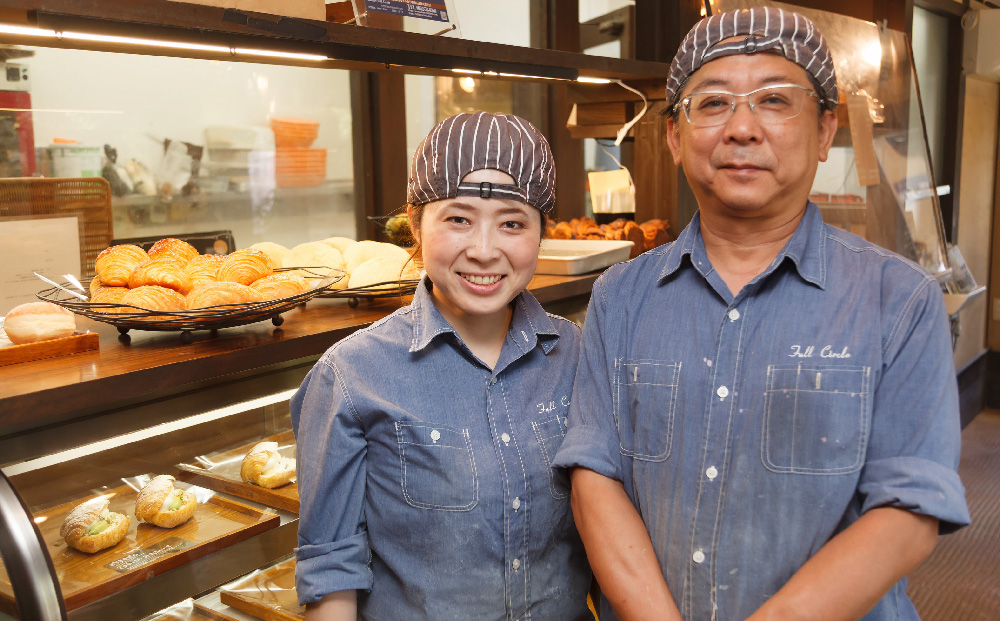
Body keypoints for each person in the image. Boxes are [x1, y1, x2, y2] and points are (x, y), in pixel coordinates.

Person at [552, 7, 971, 621]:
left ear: (826, 130)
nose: (741, 128)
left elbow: (909, 511)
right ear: (674, 136)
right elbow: (595, 479)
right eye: (713, 103)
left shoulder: (898, 301)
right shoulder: (620, 295)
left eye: (774, 100)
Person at [291, 111, 592, 620]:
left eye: (513, 223)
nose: (483, 251)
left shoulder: (577, 355)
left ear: (543, 231)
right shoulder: (351, 375)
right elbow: (332, 570)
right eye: (457, 219)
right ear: (414, 222)